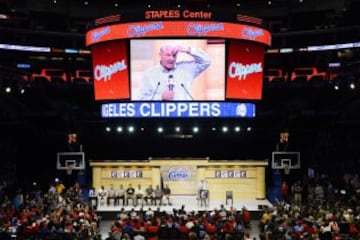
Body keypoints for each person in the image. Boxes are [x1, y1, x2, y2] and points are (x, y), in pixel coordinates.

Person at [139, 44, 211, 101]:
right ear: (160, 55)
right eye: (168, 55)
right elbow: (141, 99)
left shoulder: (186, 69)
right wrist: (160, 97)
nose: (171, 59)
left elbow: (206, 61)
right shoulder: (149, 74)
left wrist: (188, 49)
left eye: (174, 55)